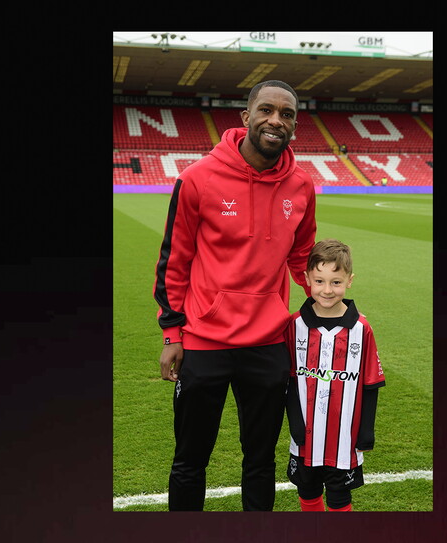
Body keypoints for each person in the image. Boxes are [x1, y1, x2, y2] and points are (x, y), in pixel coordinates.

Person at [152, 80, 317, 511]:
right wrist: (172, 334)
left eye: (287, 114)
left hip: (267, 345)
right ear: (246, 117)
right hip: (205, 342)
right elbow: (174, 260)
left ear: (295, 126)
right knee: (190, 460)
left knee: (260, 462)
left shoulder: (301, 186)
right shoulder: (197, 178)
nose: (275, 120)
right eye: (266, 110)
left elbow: (302, 257)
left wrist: (326, 304)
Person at [284, 239, 385, 512]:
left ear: (349, 281)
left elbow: (372, 383)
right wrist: (295, 423)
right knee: (308, 492)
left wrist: (366, 431)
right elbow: (290, 381)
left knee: (340, 498)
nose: (327, 290)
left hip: (345, 440)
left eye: (336, 282)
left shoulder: (362, 329)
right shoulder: (294, 326)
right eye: (319, 281)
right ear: (307, 279)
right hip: (305, 438)